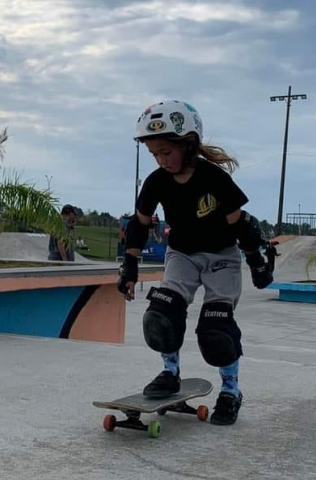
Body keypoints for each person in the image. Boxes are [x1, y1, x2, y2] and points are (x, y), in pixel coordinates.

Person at [117, 100, 272, 426]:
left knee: (216, 332)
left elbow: (239, 222)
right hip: (182, 255)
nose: (161, 160)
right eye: (154, 154)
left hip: (221, 258)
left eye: (165, 152)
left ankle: (231, 391)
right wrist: (129, 268)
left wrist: (256, 260)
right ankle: (169, 373)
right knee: (162, 315)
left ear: (188, 145)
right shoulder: (157, 181)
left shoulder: (212, 178)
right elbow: (140, 224)